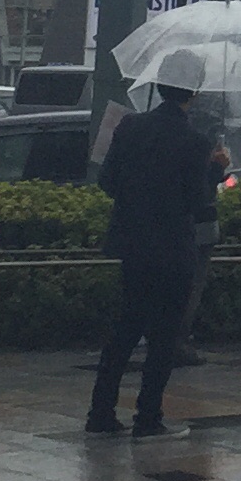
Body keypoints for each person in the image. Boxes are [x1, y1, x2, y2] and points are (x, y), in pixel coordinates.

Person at [90, 75, 224, 436]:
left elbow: (107, 181)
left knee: (124, 330)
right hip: (172, 249)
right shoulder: (196, 142)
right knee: (164, 337)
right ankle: (147, 418)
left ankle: (99, 414)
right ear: (193, 94)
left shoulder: (130, 127)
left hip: (132, 244)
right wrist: (216, 169)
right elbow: (197, 202)